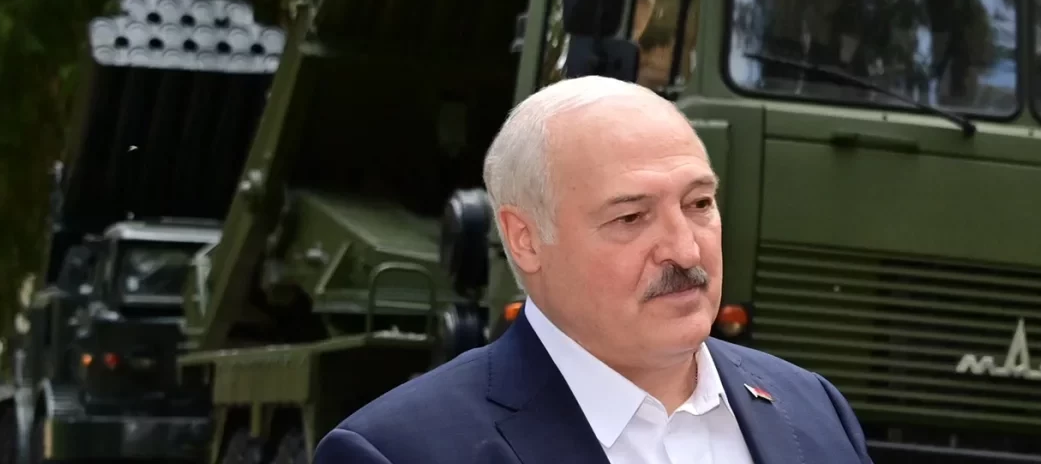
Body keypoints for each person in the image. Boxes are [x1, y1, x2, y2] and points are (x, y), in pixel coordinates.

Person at [313, 76, 873, 463]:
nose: (685, 250)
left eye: (699, 203)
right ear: (525, 239)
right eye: (631, 217)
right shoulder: (399, 452)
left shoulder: (813, 409)